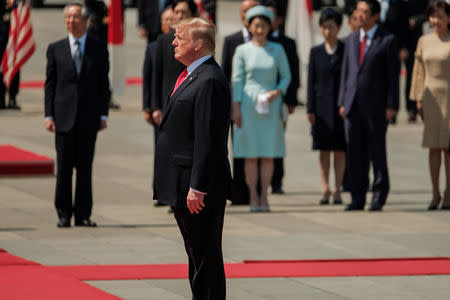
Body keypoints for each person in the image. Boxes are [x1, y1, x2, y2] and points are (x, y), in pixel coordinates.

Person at [153, 18, 231, 300]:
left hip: (198, 187)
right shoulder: (190, 74)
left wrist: (197, 186)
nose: (174, 42)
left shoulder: (209, 79)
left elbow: (208, 139)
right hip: (183, 181)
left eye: (180, 37)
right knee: (196, 255)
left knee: (206, 256)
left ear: (198, 44)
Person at [44, 2, 110, 227]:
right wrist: (48, 115)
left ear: (86, 20)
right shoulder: (56, 48)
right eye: (69, 17)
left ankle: (83, 214)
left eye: (76, 17)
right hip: (62, 118)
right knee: (63, 169)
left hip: (89, 119)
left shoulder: (98, 48)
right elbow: (50, 85)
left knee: (85, 169)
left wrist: (104, 115)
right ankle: (63, 213)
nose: (72, 21)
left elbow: (103, 84)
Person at [338, 0, 399, 211]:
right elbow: (346, 73)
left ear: (374, 16)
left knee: (377, 153)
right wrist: (342, 101)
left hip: (376, 107)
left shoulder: (388, 40)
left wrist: (392, 105)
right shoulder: (352, 39)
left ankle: (379, 195)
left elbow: (393, 77)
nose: (358, 15)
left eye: (364, 12)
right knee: (355, 154)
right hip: (352, 106)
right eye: (357, 10)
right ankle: (357, 196)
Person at [232, 5, 291, 212]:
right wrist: (236, 108)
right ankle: (253, 196)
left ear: (269, 27)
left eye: (263, 26)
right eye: (256, 26)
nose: (259, 30)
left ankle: (264, 195)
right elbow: (237, 80)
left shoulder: (277, 49)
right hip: (248, 105)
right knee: (250, 154)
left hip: (270, 105)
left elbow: (286, 75)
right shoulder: (242, 50)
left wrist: (278, 91)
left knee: (267, 153)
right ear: (249, 27)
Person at [410, 0, 450, 210]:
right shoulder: (424, 41)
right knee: (434, 147)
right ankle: (435, 193)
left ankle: (449, 192)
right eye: (433, 16)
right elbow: (418, 73)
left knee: (448, 148)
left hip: (449, 99)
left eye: (441, 16)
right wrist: (417, 98)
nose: (436, 20)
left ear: (449, 18)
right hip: (430, 98)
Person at [307, 8, 346, 205]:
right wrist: (310, 109)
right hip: (321, 108)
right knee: (323, 150)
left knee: (340, 150)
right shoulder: (316, 52)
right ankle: (325, 188)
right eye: (324, 27)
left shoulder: (346, 49)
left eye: (331, 27)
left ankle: (338, 188)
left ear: (339, 28)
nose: (327, 31)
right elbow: (311, 82)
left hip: (340, 107)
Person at [221, 0, 257, 206]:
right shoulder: (231, 40)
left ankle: (258, 190)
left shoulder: (265, 38)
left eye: (251, 10)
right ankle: (239, 192)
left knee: (259, 149)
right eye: (244, 11)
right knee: (239, 148)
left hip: (260, 105)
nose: (248, 15)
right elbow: (225, 74)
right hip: (237, 105)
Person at [265, 0, 300, 195]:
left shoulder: (288, 43)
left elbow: (294, 72)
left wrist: (291, 100)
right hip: (259, 100)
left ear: (279, 19)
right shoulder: (258, 41)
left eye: (271, 17)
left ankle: (277, 181)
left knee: (277, 140)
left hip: (280, 100)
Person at [142, 7, 174, 206]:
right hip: (159, 107)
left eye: (173, 19)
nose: (170, 23)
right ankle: (161, 191)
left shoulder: (181, 46)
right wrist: (149, 106)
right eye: (166, 20)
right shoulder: (153, 47)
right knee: (161, 151)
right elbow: (149, 79)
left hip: (175, 106)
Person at [406, 0, 430, 123]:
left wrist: (416, 20)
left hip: (415, 37)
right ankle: (409, 106)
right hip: (399, 37)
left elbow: (428, 12)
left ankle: (413, 108)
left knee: (413, 73)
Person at [0, 0, 20, 110]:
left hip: (14, 38)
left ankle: (13, 97)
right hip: (1, 37)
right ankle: (1, 98)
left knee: (14, 68)